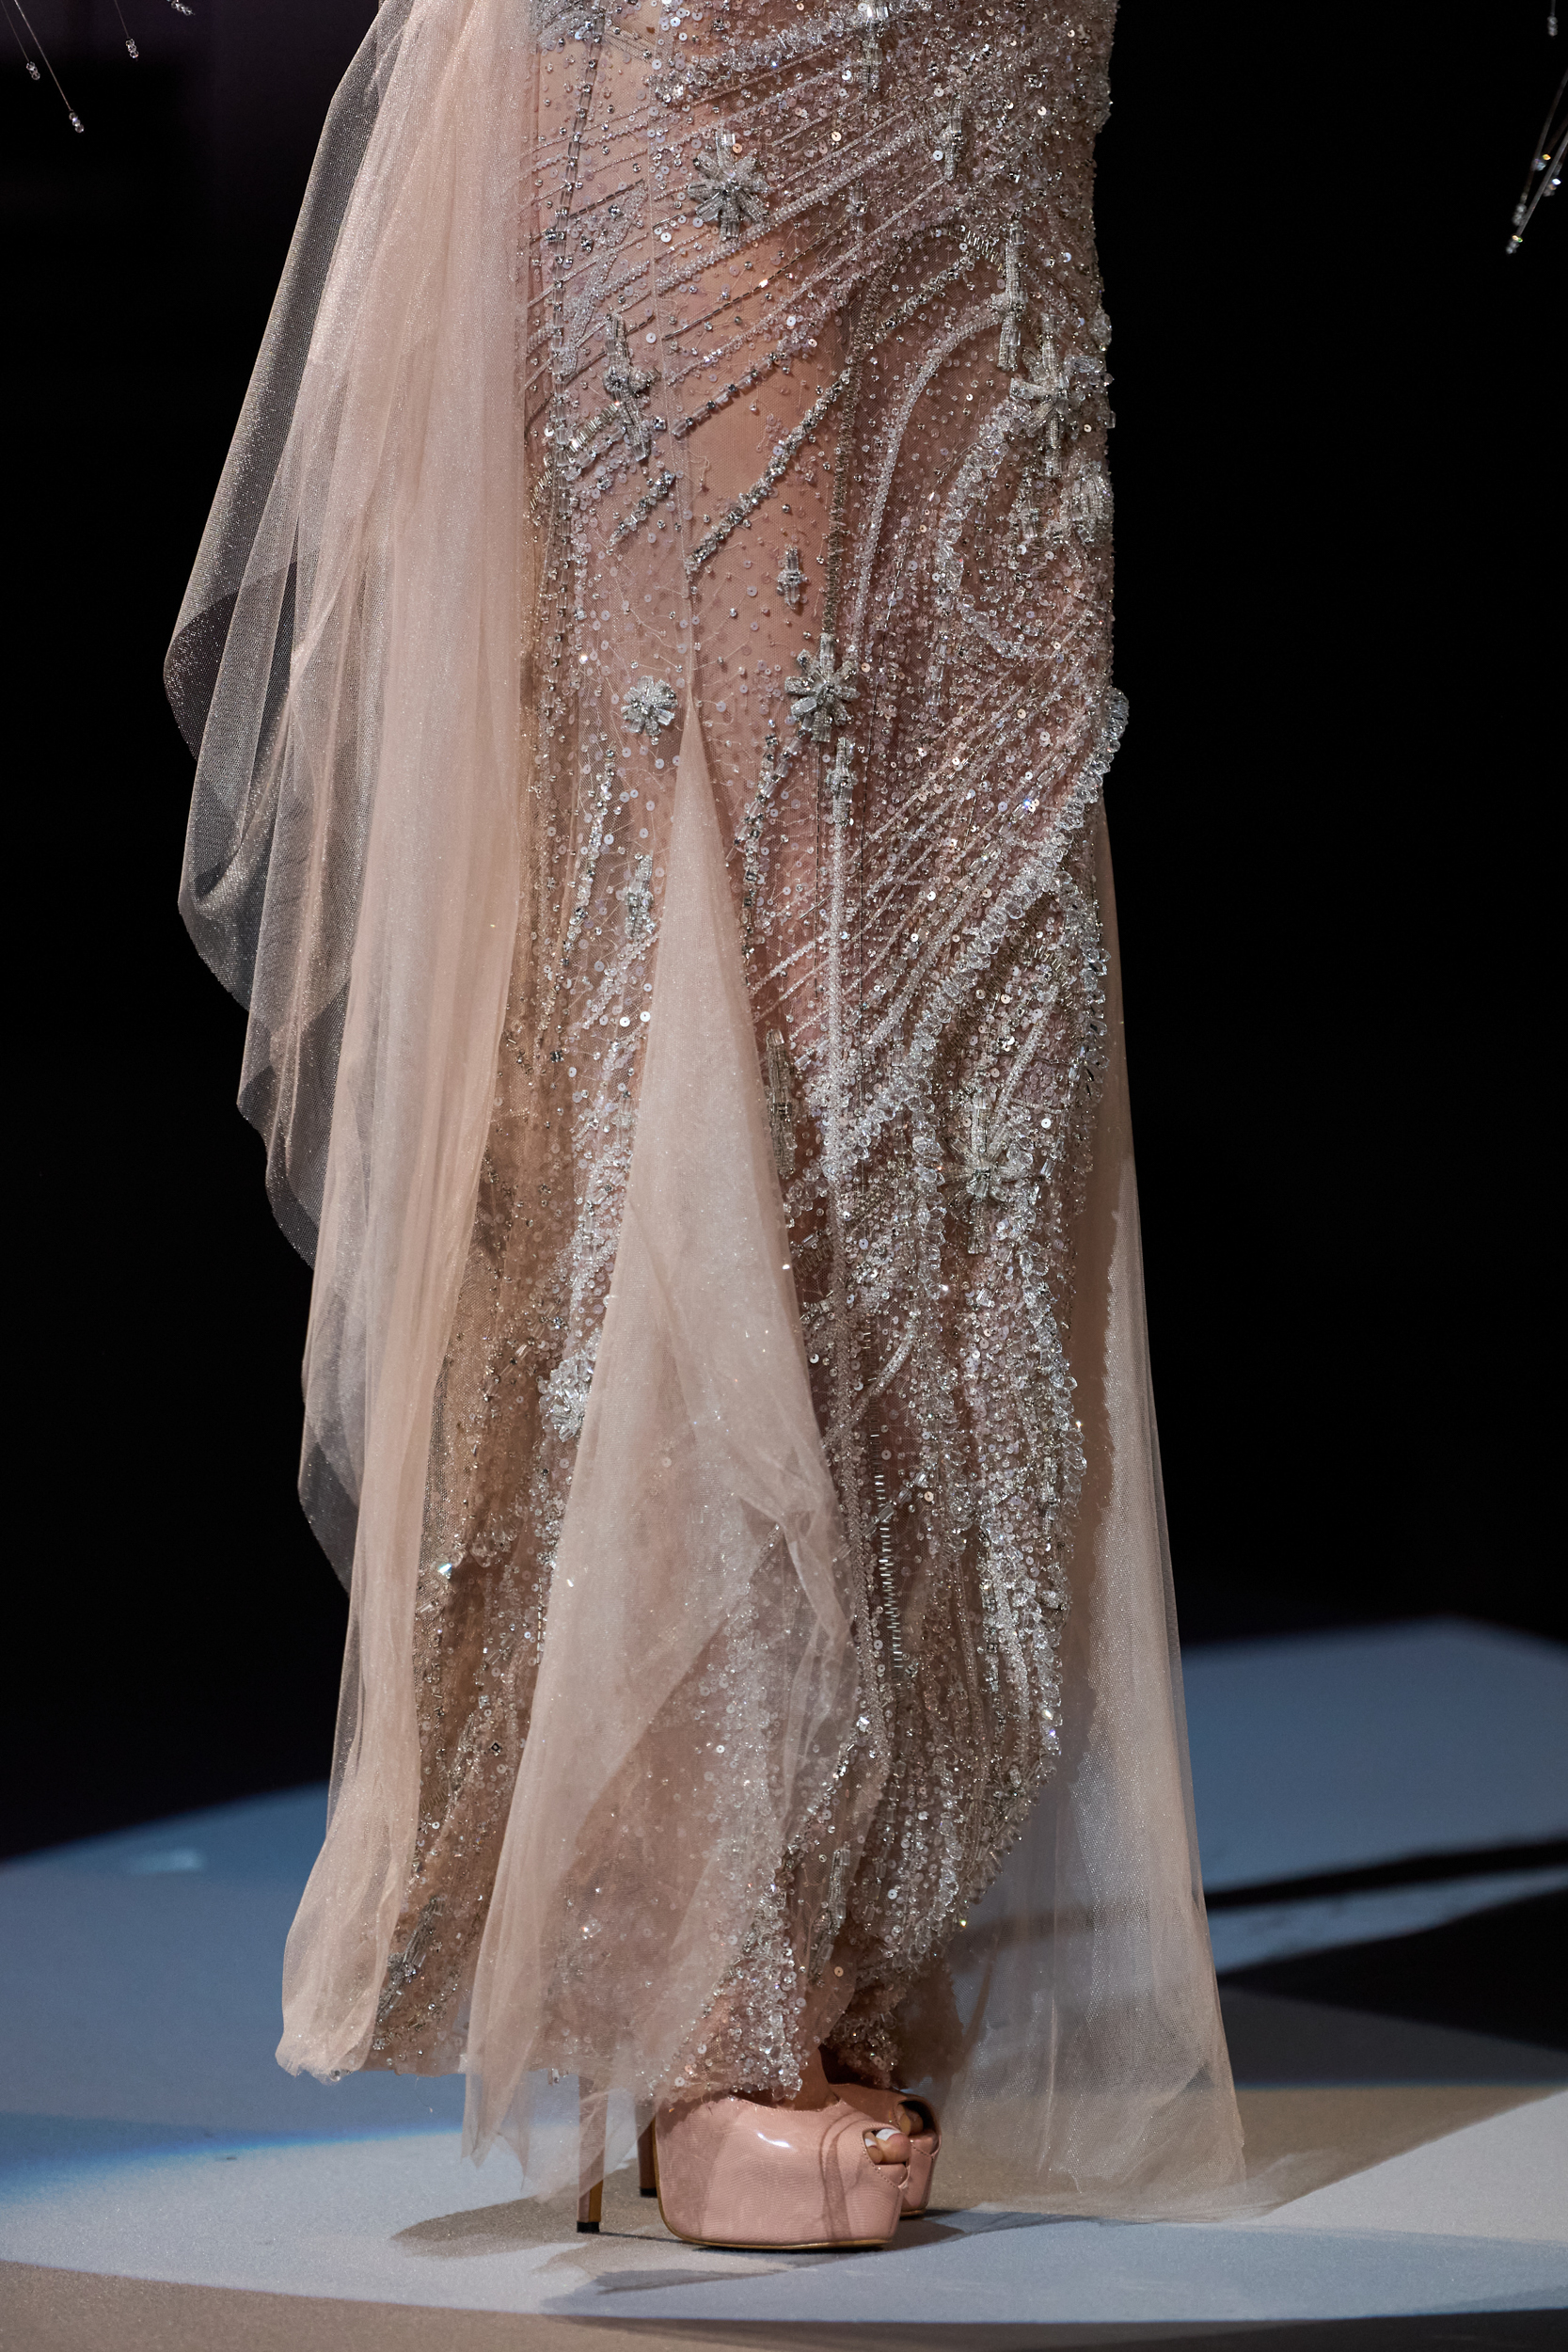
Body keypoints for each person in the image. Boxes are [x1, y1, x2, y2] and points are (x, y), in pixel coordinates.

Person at [167, 0, 1243, 2247]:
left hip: (986, 61)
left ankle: (836, 1892)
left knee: (966, 910)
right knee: (750, 887)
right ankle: (694, 1960)